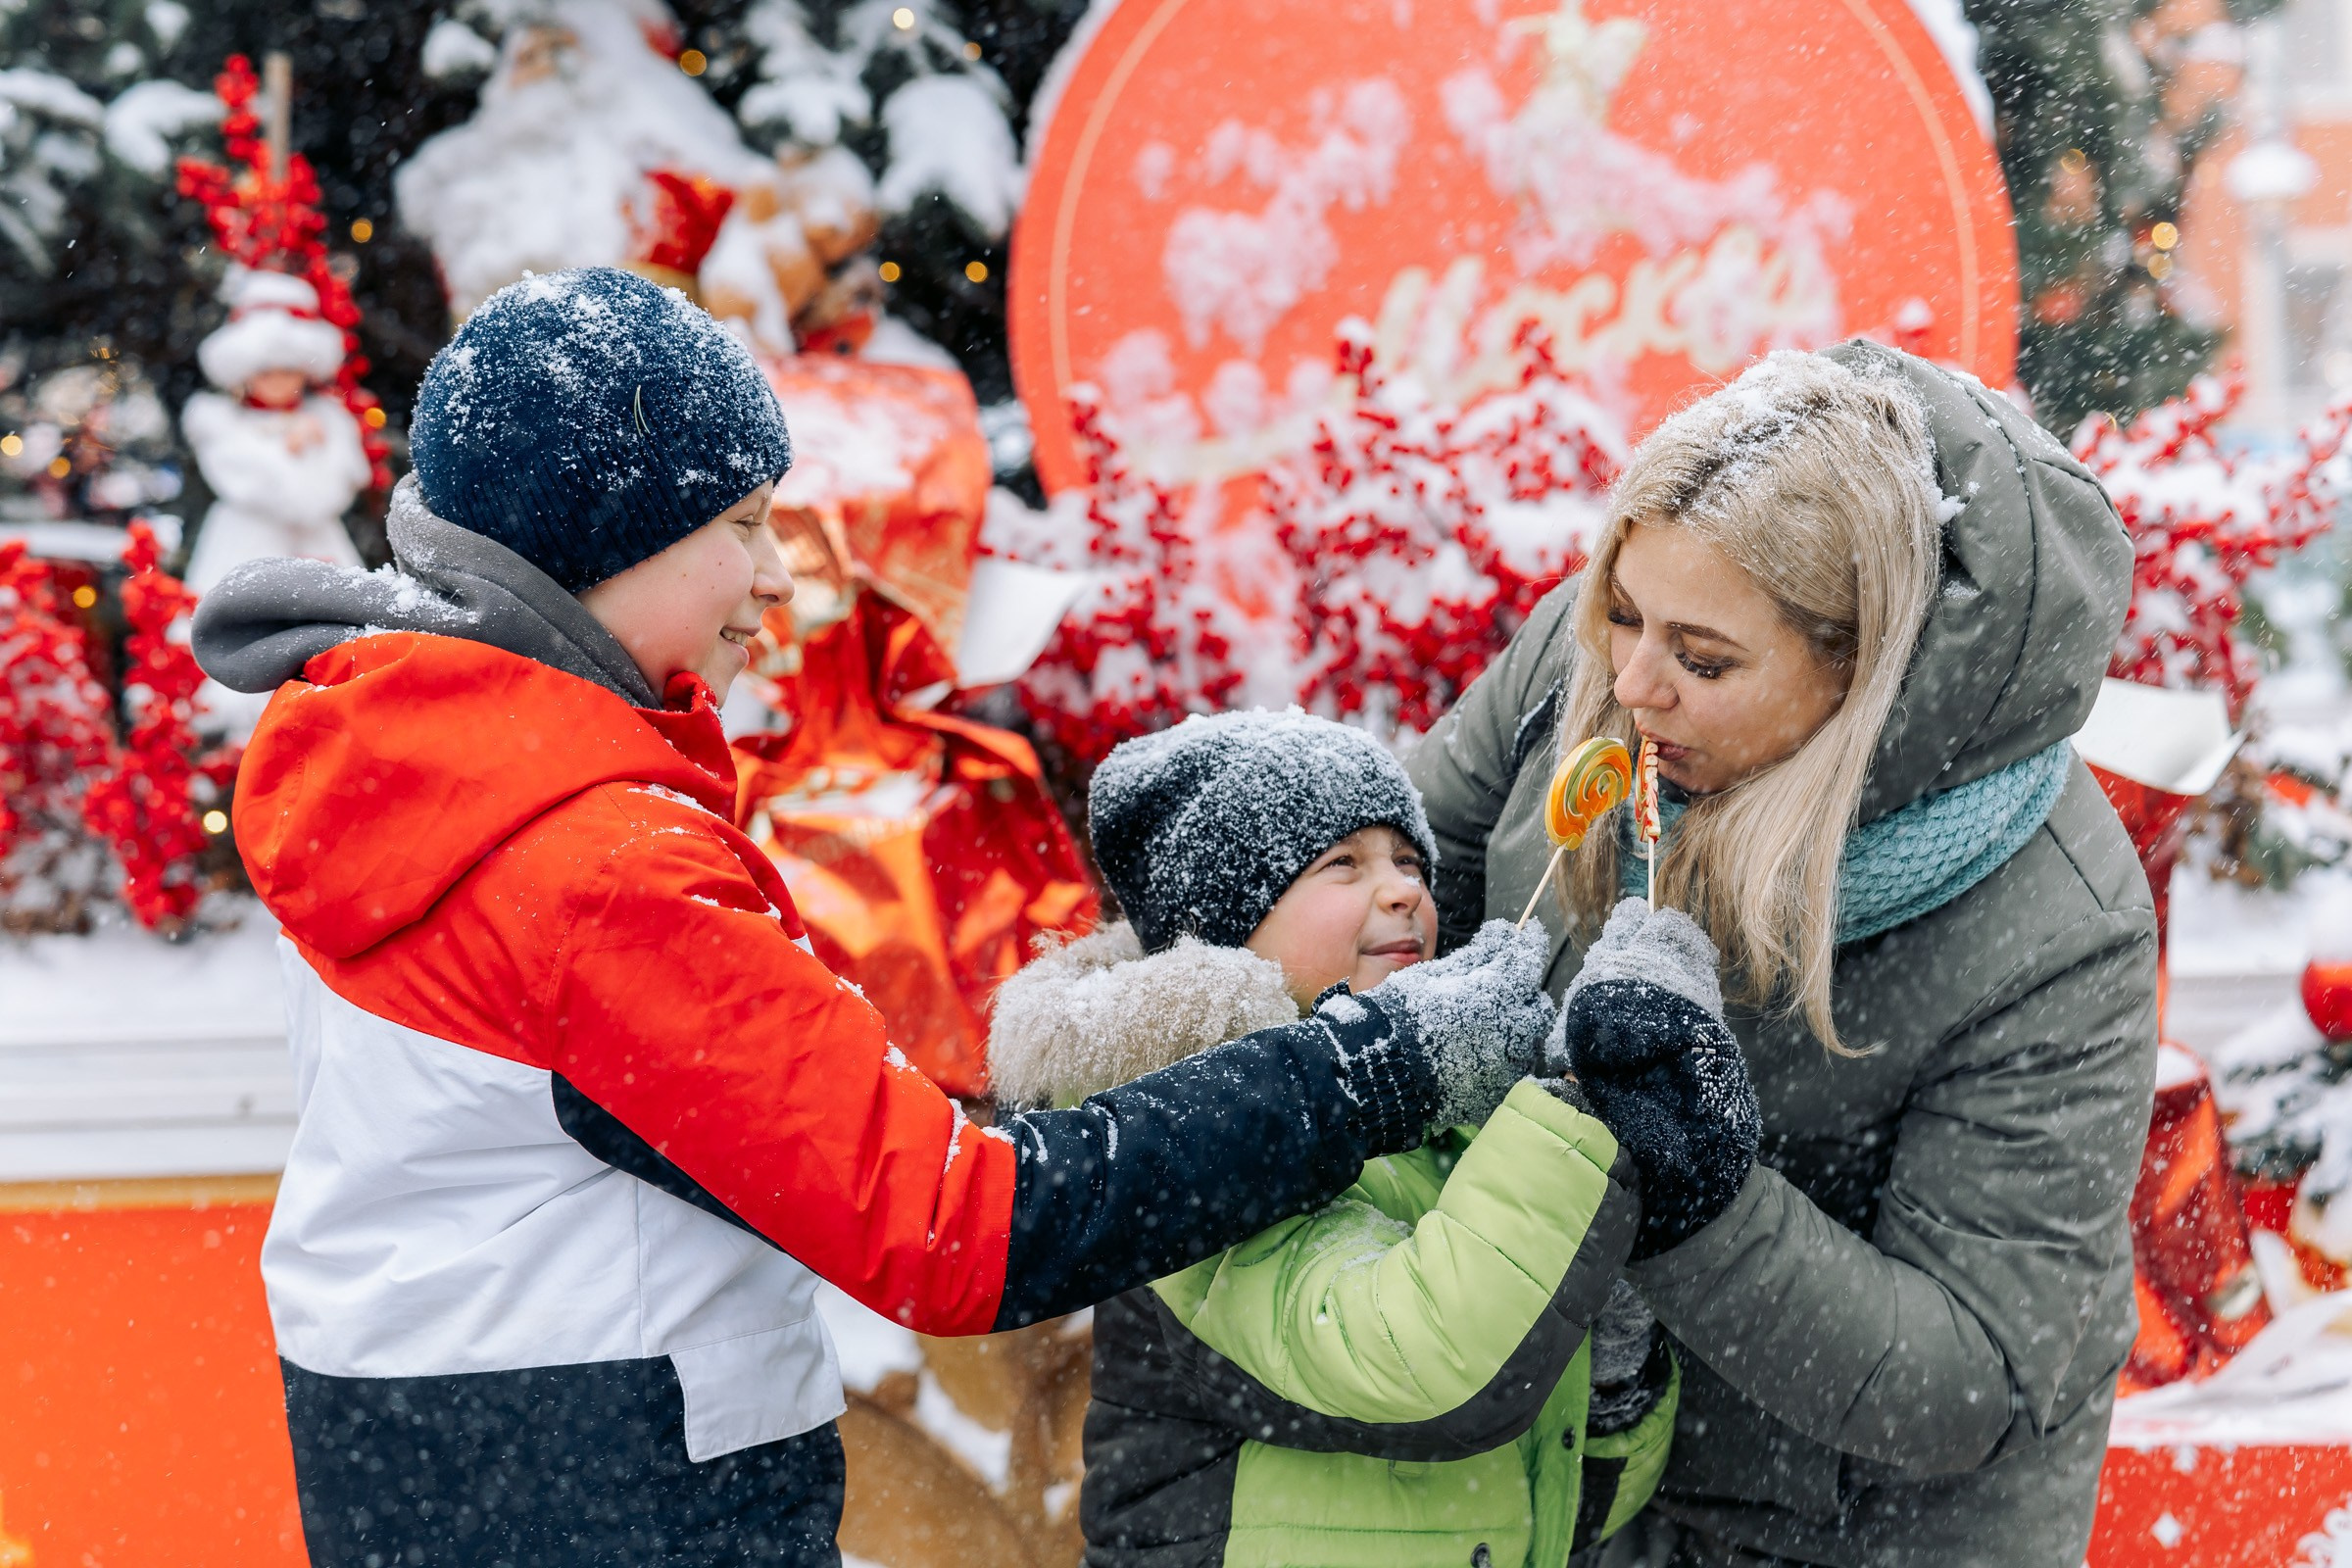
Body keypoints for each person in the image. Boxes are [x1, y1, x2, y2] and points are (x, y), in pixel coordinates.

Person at [188, 267, 1555, 1567]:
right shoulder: (590, 868)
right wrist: (1372, 1070)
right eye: (742, 525)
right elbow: (959, 1231)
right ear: (608, 541)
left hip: (458, 1469)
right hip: (606, 1491)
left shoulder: (437, 776)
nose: (780, 577)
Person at [1408, 342, 2158, 1567]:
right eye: (1622, 612)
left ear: (1863, 675)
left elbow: (1976, 1373)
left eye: (1704, 661)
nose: (1633, 683)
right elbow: (1402, 863)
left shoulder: (2052, 928)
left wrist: (1705, 1193)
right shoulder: (1604, 664)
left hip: (1854, 1530)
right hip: (1557, 1477)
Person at [989, 710, 1714, 1567]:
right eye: (1343, 865)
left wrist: (1614, 1367)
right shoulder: (1190, 1141)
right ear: (1227, 933)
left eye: (1409, 861)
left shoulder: (1449, 1115)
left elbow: (1556, 1505)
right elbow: (1418, 1365)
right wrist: (1575, 1118)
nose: (1405, 888)